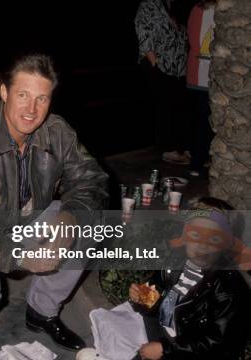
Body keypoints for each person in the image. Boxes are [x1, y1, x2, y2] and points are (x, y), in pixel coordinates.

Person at [0, 54, 109, 350]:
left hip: (27, 220)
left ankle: (42, 312)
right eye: (23, 95)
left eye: (42, 98)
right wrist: (19, 257)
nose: (32, 109)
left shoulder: (58, 132)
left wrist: (70, 218)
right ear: (4, 92)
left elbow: (93, 180)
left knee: (87, 225)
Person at [82, 197, 250, 360]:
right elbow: (158, 296)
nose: (203, 245)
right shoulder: (177, 259)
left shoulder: (230, 289)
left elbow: (218, 344)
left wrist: (166, 349)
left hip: (187, 349)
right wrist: (143, 297)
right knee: (113, 325)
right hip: (161, 329)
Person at [135, 0, 190, 165]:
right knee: (164, 105)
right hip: (159, 64)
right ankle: (169, 149)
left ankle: (181, 147)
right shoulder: (148, 4)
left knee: (178, 106)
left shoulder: (172, 5)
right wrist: (155, 62)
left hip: (178, 67)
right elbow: (142, 30)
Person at [186, 0, 216, 177]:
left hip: (198, 73)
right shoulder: (199, 10)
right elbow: (195, 40)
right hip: (201, 74)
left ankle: (199, 161)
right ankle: (197, 163)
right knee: (202, 122)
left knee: (201, 121)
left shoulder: (197, 9)